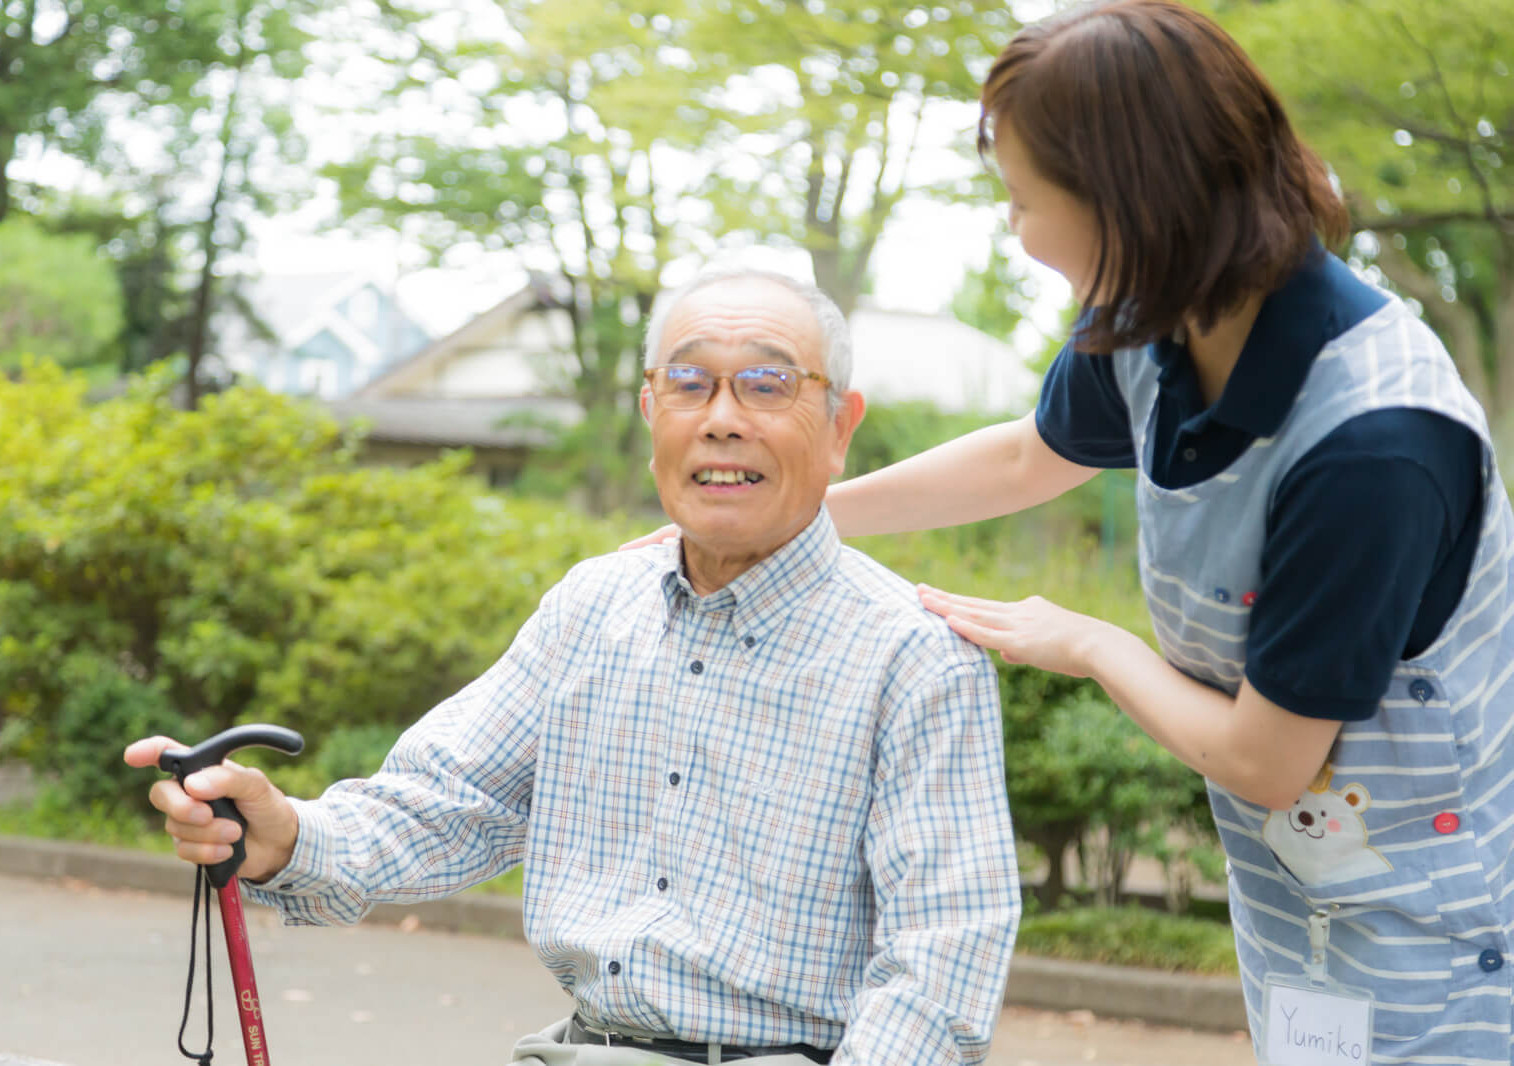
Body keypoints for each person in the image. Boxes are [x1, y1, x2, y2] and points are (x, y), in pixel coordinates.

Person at [623, 3, 1514, 1061]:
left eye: (1020, 200)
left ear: (1127, 201)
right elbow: (1023, 457)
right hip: (1300, 901)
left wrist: (1090, 643)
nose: (1013, 227)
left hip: (1440, 928)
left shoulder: (1372, 444)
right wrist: (784, 516)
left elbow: (1267, 761)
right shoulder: (1158, 321)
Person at [126, 268, 1021, 1065]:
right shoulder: (593, 607)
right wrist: (284, 834)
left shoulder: (916, 657)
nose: (720, 419)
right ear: (650, 413)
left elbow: (941, 963)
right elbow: (450, 801)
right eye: (689, 382)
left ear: (839, 427)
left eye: (766, 384)